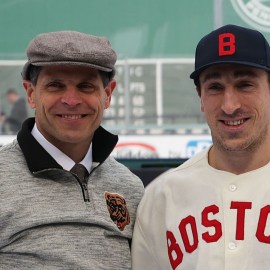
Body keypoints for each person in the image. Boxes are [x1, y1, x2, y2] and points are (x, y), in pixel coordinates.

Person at [0, 30, 144, 269]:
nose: (71, 100)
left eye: (85, 86)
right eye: (55, 85)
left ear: (107, 95)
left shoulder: (130, 188)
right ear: (31, 93)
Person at [131, 24, 270, 269]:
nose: (230, 105)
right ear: (200, 98)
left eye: (245, 84)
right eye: (215, 87)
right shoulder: (161, 197)